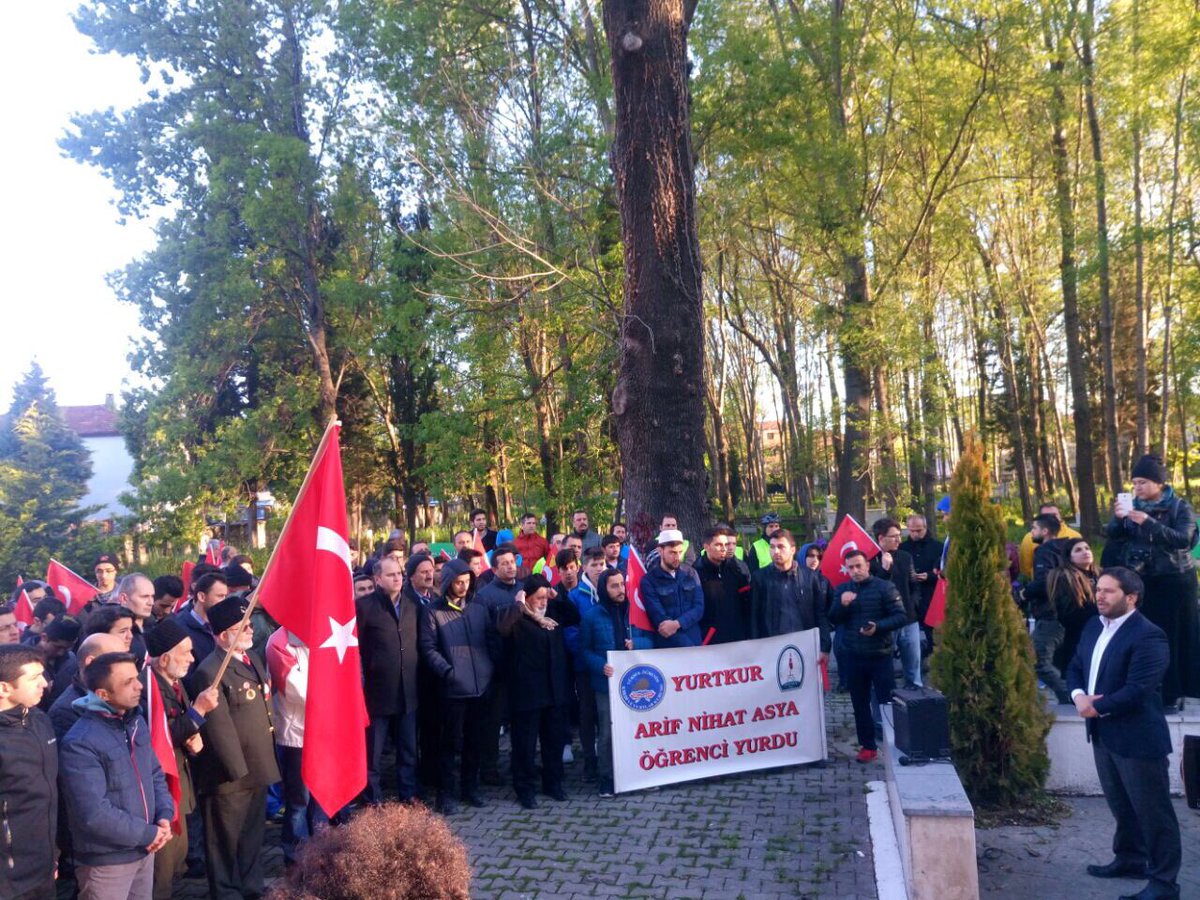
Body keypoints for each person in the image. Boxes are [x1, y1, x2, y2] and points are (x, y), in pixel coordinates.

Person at [1067, 568, 1182, 900]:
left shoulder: (1149, 635)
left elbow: (1139, 689)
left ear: (1131, 598)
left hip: (1138, 739)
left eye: (1109, 591)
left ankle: (1164, 883)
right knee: (1121, 804)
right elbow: (1075, 664)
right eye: (1098, 589)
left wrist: (1095, 707)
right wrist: (1078, 697)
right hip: (1103, 734)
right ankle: (1130, 859)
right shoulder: (1093, 626)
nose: (1099, 596)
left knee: (1153, 812)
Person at [59, 652, 174, 900]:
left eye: (137, 677)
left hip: (145, 848)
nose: (139, 686)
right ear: (103, 694)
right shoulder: (80, 742)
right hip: (107, 860)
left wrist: (164, 816)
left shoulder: (135, 722)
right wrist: (148, 833)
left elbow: (154, 773)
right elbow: (93, 812)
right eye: (127, 682)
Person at [188, 595, 281, 900]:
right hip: (229, 776)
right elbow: (219, 729)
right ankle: (227, 893)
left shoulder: (252, 658)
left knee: (251, 838)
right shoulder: (211, 669)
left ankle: (251, 888)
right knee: (225, 843)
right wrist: (237, 771)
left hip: (257, 766)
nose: (251, 631)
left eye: (249, 626)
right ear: (223, 634)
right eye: (242, 628)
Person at [1104, 454, 1200, 712]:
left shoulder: (1180, 507)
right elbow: (1114, 536)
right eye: (1134, 483)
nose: (1137, 488)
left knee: (1173, 637)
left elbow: (1182, 539)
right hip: (1142, 579)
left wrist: (1148, 522)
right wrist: (1119, 518)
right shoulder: (1132, 507)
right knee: (1143, 637)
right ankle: (1147, 689)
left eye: (1143, 482)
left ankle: (1172, 692)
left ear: (1159, 483)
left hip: (1174, 581)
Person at [143, 619, 220, 900]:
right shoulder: (149, 689)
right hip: (162, 790)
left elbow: (182, 731)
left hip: (181, 786)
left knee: (176, 861)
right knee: (161, 870)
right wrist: (198, 710)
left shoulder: (174, 683)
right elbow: (159, 736)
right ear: (164, 658)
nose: (192, 657)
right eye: (185, 652)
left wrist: (195, 744)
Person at [418, 558, 500, 814]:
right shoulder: (433, 611)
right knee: (450, 744)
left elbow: (489, 638)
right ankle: (446, 793)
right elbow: (428, 647)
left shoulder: (479, 607)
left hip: (480, 686)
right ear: (448, 583)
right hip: (453, 689)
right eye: (458, 582)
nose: (463, 586)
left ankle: (470, 788)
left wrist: (489, 668)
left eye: (467, 582)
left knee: (475, 742)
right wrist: (447, 671)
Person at [827, 550, 907, 764]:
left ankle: (895, 744)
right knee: (859, 704)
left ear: (868, 566)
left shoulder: (885, 587)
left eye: (858, 566)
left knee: (886, 702)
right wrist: (842, 604)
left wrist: (878, 627)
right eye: (850, 567)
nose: (855, 571)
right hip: (854, 656)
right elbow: (833, 618)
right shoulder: (843, 589)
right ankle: (867, 747)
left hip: (880, 655)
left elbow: (901, 616)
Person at [498, 574, 571, 808]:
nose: (542, 602)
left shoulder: (553, 613)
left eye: (544, 597)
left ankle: (553, 783)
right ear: (526, 598)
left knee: (553, 741)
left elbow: (574, 616)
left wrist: (558, 597)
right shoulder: (517, 617)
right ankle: (524, 788)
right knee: (525, 745)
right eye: (538, 598)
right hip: (527, 694)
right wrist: (518, 605)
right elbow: (502, 628)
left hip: (554, 691)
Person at [580, 568, 652, 797]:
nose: (620, 590)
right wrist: (600, 665)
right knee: (607, 732)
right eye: (614, 586)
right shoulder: (592, 616)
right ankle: (607, 777)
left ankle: (639, 772)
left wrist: (637, 644)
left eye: (622, 584)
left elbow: (651, 641)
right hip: (606, 684)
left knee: (637, 730)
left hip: (636, 683)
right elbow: (584, 649)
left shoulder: (636, 613)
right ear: (604, 588)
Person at [356, 555, 421, 804]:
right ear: (378, 579)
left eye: (400, 574)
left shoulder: (412, 604)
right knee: (373, 753)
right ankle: (372, 800)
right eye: (391, 574)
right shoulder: (364, 607)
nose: (397, 578)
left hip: (408, 691)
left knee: (408, 749)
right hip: (376, 694)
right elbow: (356, 650)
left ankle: (408, 794)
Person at [264, 626, 328, 864]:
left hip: (323, 731)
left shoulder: (323, 633)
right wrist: (334, 694)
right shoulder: (279, 642)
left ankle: (321, 849)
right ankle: (296, 855)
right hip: (297, 734)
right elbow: (298, 690)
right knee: (300, 799)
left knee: (321, 796)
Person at [0, 644, 59, 900]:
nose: (44, 684)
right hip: (9, 881)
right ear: (4, 688)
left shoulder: (40, 720)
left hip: (44, 868)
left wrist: (53, 854)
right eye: (34, 678)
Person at [1023, 538, 1099, 705]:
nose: (1085, 552)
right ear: (1069, 557)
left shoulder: (1100, 575)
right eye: (1078, 550)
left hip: (1096, 636)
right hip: (1074, 635)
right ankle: (1067, 695)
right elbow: (1036, 589)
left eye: (1087, 548)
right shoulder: (1064, 577)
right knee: (1041, 660)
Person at [475, 544, 522, 786]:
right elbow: (485, 633)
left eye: (512, 562)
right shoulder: (485, 596)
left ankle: (520, 764)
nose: (509, 566)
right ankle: (489, 768)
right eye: (503, 563)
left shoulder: (525, 589)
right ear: (494, 569)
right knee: (492, 723)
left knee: (521, 720)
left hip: (523, 668)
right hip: (497, 670)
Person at [750, 529, 830, 658]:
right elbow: (755, 616)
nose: (775, 551)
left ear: (793, 550)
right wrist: (756, 648)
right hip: (772, 648)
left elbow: (820, 613)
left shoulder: (810, 577)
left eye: (781, 547)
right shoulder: (760, 578)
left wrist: (824, 647)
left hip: (805, 646)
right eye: (772, 547)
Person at [565, 547, 607, 777]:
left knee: (607, 715)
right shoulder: (574, 596)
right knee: (587, 713)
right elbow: (571, 634)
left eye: (602, 565)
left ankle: (608, 756)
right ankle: (590, 759)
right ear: (585, 567)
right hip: (585, 667)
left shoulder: (612, 588)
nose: (599, 569)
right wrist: (588, 660)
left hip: (610, 666)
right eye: (594, 565)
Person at [49, 632, 129, 739]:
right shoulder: (65, 712)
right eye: (120, 660)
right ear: (91, 662)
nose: (129, 666)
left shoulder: (125, 692)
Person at [871, 518, 921, 689]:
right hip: (885, 622)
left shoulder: (905, 557)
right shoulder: (870, 560)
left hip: (909, 619)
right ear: (880, 538)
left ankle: (915, 702)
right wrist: (885, 570)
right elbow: (872, 590)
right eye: (894, 537)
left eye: (899, 535)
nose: (899, 540)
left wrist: (913, 603)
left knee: (913, 668)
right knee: (884, 667)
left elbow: (914, 584)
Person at [639, 529, 704, 648]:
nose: (677, 557)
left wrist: (678, 623)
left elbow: (699, 607)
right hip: (668, 646)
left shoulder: (691, 573)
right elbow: (658, 616)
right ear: (660, 551)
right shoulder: (649, 581)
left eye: (680, 552)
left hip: (694, 640)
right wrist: (685, 643)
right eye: (672, 552)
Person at [696, 524, 752, 645]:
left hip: (737, 638)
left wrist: (747, 632)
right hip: (711, 640)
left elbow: (746, 604)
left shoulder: (736, 570)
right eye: (718, 545)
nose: (724, 549)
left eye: (725, 545)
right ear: (706, 547)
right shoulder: (696, 572)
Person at [900, 514, 941, 659]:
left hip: (931, 595)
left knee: (933, 633)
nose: (915, 534)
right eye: (911, 530)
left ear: (925, 528)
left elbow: (944, 573)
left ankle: (934, 660)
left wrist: (929, 576)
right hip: (909, 596)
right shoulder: (902, 548)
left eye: (918, 530)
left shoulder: (938, 547)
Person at [173, 571, 228, 677]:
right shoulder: (180, 628)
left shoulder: (225, 623)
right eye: (220, 596)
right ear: (202, 597)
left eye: (225, 596)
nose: (224, 602)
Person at [1018, 503, 1081, 580]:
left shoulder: (1075, 536)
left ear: (1060, 516)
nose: (1052, 518)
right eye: (1047, 515)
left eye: (1055, 515)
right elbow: (1025, 568)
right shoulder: (1029, 538)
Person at [117, 572, 156, 664]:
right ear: (124, 598)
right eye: (144, 597)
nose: (151, 602)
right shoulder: (112, 632)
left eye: (152, 596)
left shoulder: (155, 629)